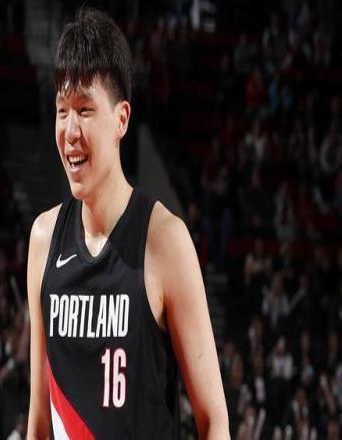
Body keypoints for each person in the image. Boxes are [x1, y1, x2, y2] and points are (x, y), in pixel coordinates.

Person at [27, 8, 228, 439]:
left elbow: (215, 421)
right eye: (62, 110)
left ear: (121, 119)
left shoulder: (165, 240)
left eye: (85, 109)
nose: (70, 130)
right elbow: (39, 420)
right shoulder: (43, 239)